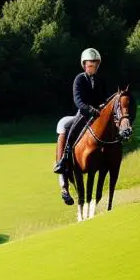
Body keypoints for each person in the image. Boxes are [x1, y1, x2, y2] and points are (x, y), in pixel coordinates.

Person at [52, 48, 108, 204]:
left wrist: (103, 106)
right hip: (83, 114)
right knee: (63, 124)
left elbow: (104, 98)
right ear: (84, 65)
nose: (93, 66)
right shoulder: (79, 79)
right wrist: (89, 109)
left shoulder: (101, 80)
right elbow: (78, 100)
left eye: (95, 64)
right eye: (90, 64)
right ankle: (64, 159)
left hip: (98, 115)